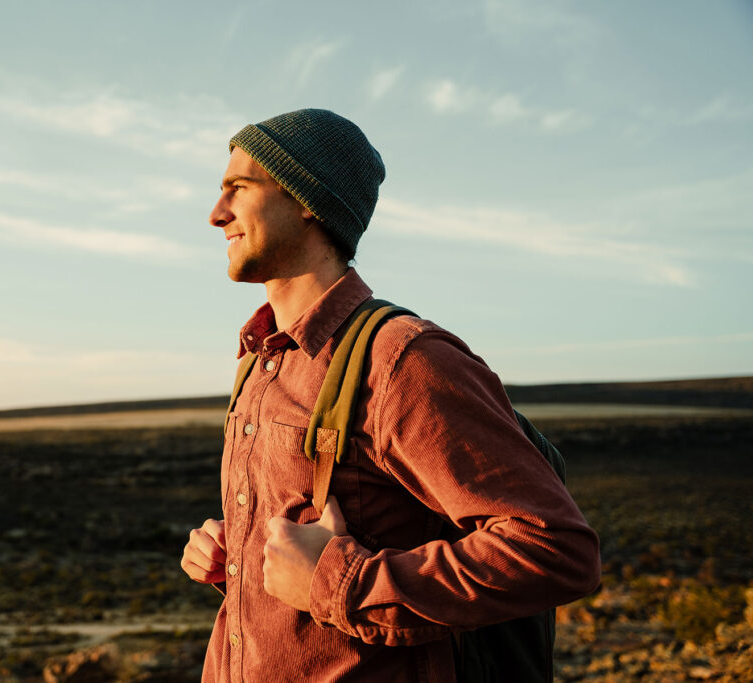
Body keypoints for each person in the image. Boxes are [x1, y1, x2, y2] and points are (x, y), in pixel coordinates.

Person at [180, 108, 601, 682]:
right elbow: (305, 560)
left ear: (307, 199)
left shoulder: (403, 360)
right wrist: (236, 558)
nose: (215, 214)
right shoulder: (259, 362)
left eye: (238, 188)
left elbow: (556, 551)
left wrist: (336, 582)